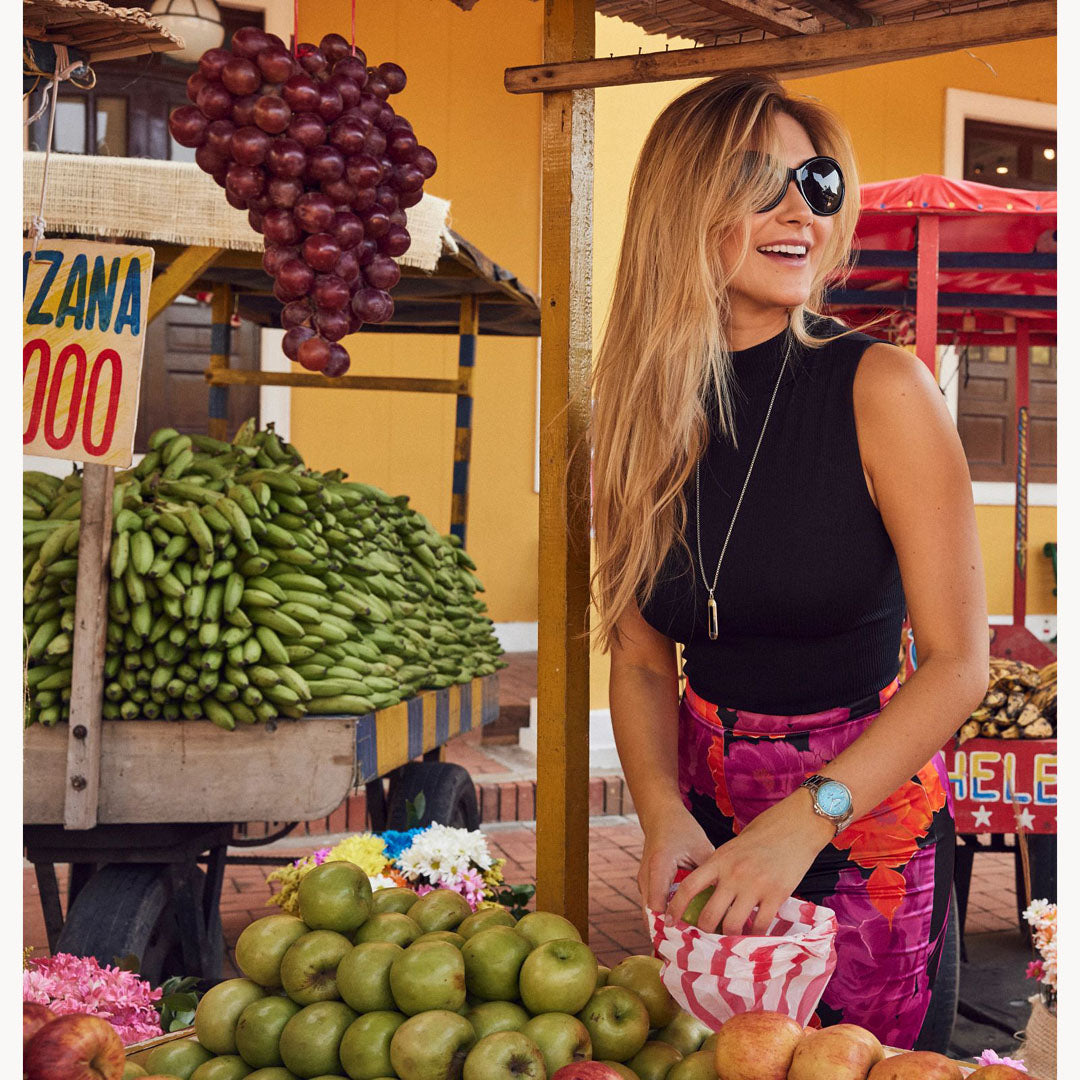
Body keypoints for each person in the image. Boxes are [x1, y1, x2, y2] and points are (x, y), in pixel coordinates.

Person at [588, 73, 989, 1049]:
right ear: (684, 198)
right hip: (707, 819)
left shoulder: (884, 389)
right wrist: (661, 815)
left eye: (815, 182)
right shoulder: (623, 420)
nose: (798, 211)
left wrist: (809, 819)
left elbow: (957, 663)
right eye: (758, 180)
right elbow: (641, 656)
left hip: (867, 819)